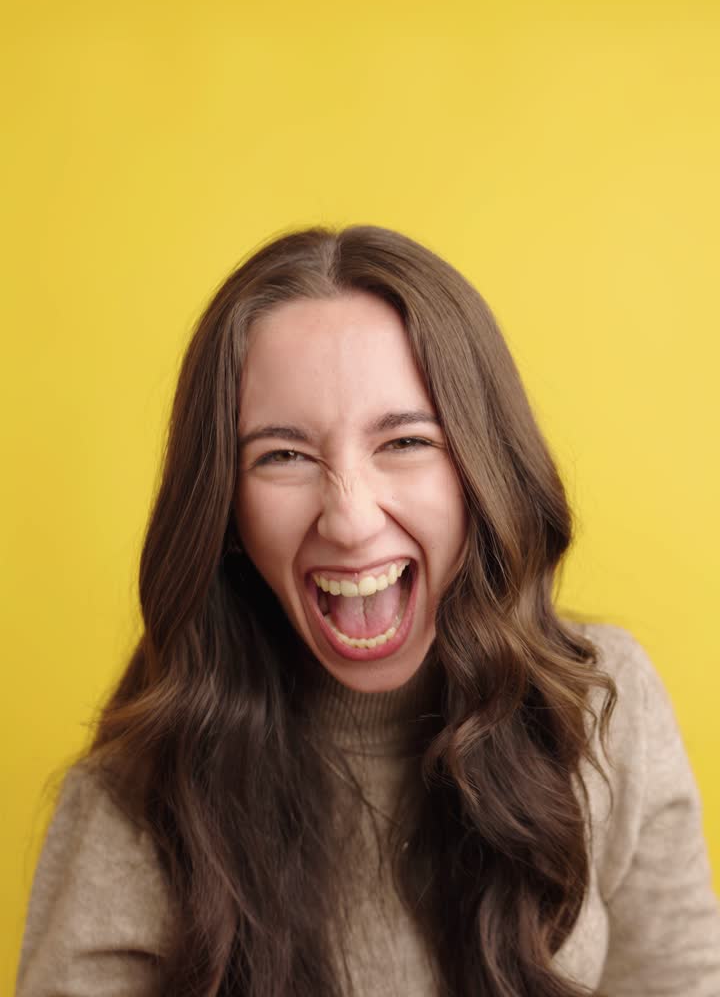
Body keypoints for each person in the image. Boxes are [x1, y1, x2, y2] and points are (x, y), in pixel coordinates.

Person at [15, 224, 720, 997]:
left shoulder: (602, 704)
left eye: (406, 441)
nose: (348, 519)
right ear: (227, 515)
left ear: (484, 468)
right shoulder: (136, 794)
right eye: (282, 455)